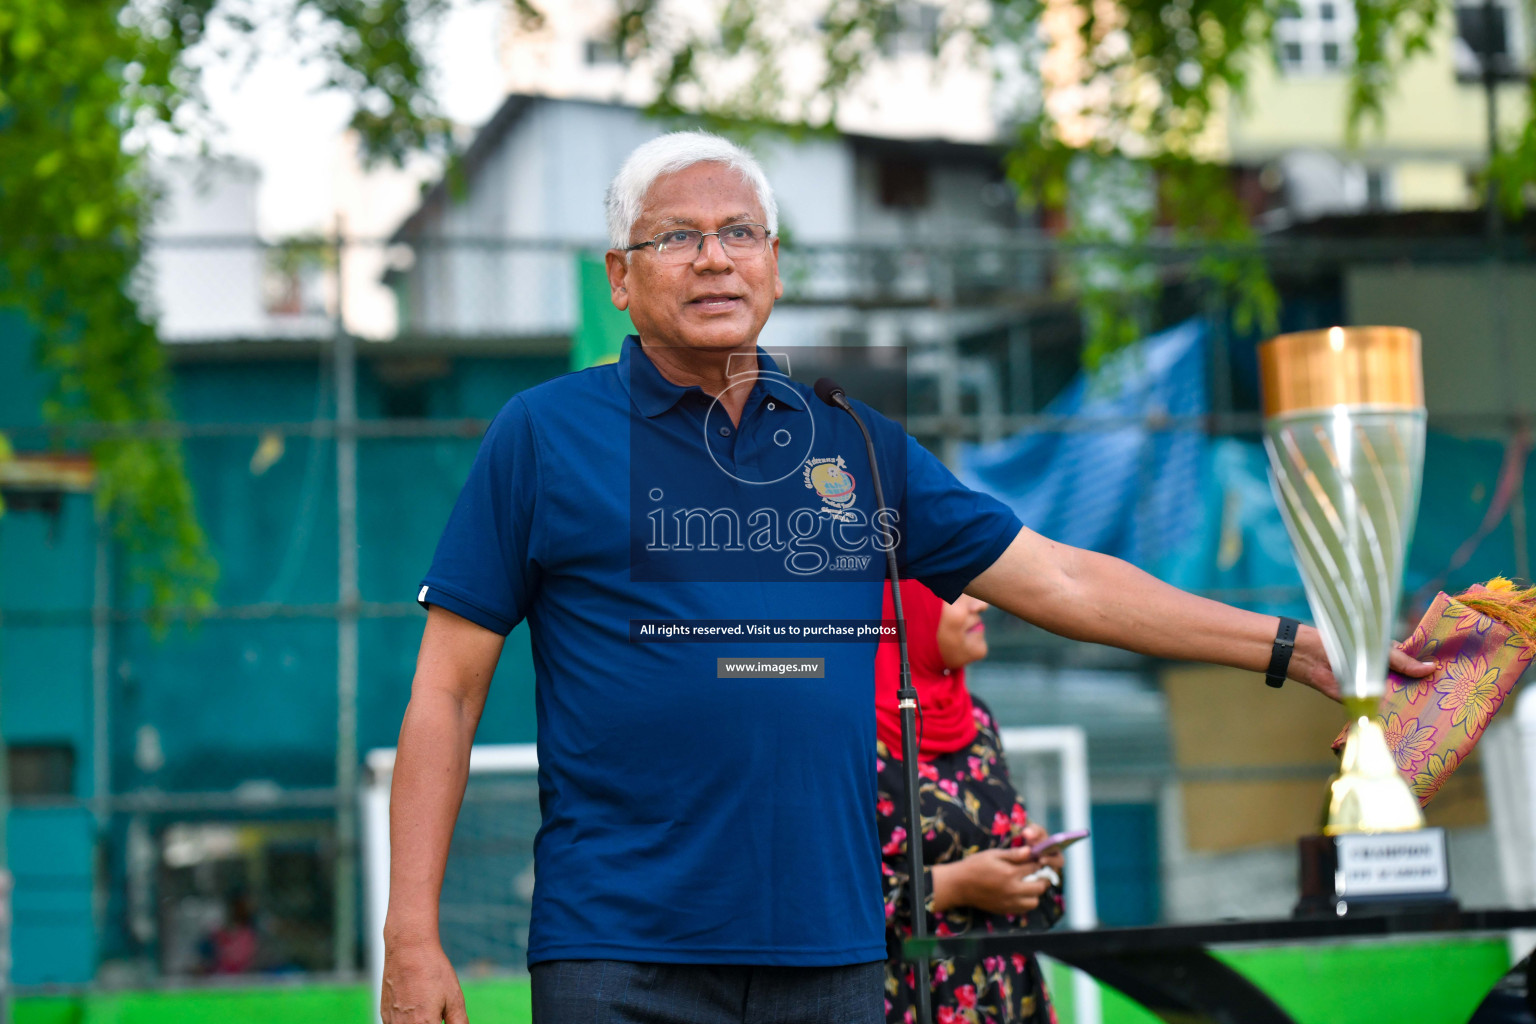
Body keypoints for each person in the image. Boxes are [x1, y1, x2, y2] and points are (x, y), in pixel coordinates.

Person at [381, 130, 1435, 1024]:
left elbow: (1061, 580)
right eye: (677, 238)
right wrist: (411, 931)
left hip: (834, 954)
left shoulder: (855, 445)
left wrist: (1293, 643)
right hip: (618, 951)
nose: (714, 260)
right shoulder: (542, 437)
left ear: (777, 264)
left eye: (739, 232)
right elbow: (446, 690)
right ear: (621, 275)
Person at [875, 580, 1063, 1024]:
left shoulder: (975, 718)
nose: (981, 604)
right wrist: (951, 886)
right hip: (912, 999)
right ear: (907, 616)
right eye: (955, 592)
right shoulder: (845, 737)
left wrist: (1036, 859)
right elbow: (818, 892)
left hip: (1009, 994)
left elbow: (988, 838)